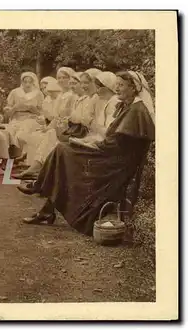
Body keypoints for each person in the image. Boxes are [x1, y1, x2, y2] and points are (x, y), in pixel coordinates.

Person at [17, 70, 155, 236]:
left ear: (133, 88)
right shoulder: (127, 106)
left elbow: (117, 145)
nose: (117, 88)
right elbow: (114, 140)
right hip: (110, 155)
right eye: (116, 85)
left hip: (114, 164)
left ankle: (41, 191)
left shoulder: (136, 110)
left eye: (121, 85)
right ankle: (46, 207)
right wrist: (90, 143)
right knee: (63, 151)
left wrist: (92, 145)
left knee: (63, 151)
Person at [4, 72, 45, 165]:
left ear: (33, 82)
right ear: (21, 82)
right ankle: (12, 157)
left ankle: (23, 157)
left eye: (30, 82)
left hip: (32, 118)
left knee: (23, 132)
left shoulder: (38, 94)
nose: (27, 84)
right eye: (25, 81)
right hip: (16, 118)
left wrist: (33, 109)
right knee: (10, 130)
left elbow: (42, 112)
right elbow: (8, 110)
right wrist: (15, 108)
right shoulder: (15, 92)